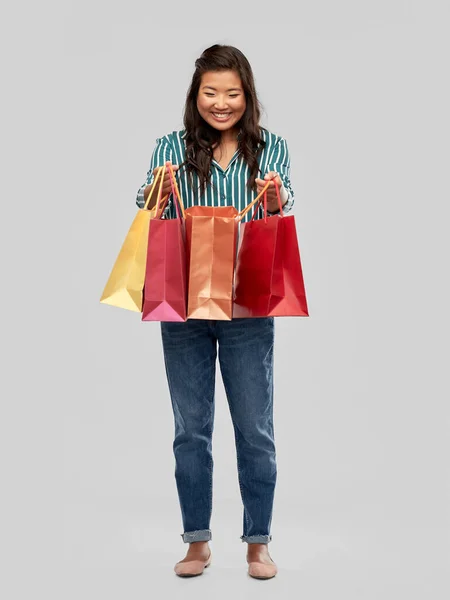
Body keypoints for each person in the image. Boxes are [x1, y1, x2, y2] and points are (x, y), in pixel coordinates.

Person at [136, 44, 295, 579]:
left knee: (255, 427)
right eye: (211, 92)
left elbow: (281, 206)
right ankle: (197, 542)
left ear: (247, 95)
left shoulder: (270, 148)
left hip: (247, 303)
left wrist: (271, 195)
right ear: (195, 95)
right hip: (182, 304)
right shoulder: (169, 146)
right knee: (191, 429)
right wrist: (157, 190)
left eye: (232, 93)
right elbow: (147, 204)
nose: (221, 103)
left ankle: (258, 544)